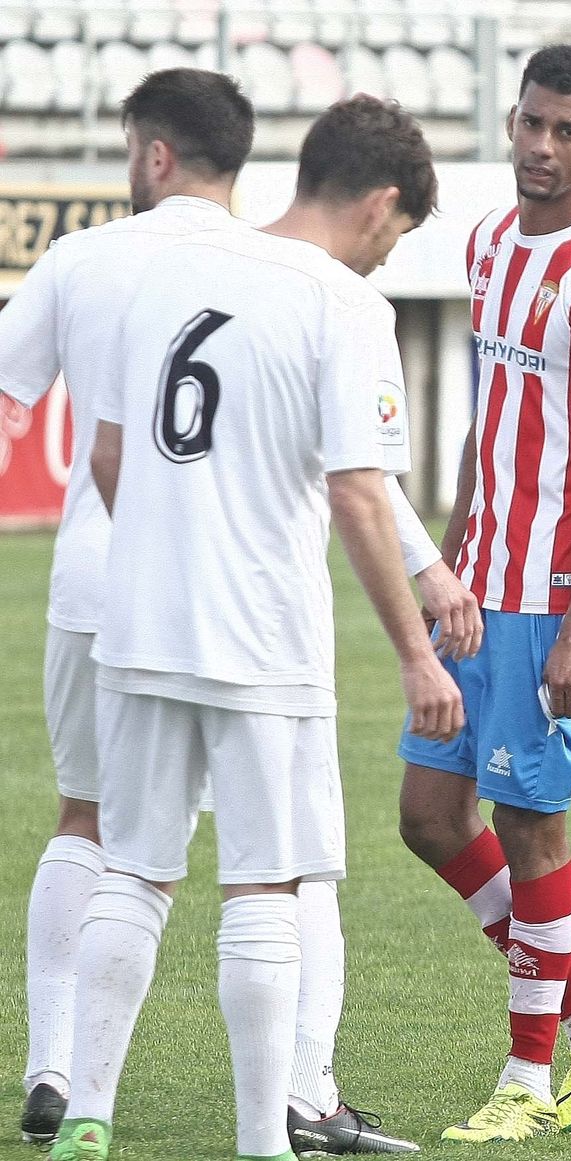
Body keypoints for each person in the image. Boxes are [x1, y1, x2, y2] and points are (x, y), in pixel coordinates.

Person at [0, 71, 467, 1155]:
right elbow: (357, 488)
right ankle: (267, 1137)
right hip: (261, 630)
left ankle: (87, 1108)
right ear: (377, 206)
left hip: (135, 617)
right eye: (391, 238)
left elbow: (108, 449)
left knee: (130, 865)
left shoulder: (157, 267)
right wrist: (415, 656)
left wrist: (167, 546)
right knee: (266, 881)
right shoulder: (340, 301)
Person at [394, 43, 571, 1142]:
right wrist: (448, 561)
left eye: (569, 131)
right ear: (511, 124)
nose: (543, 149)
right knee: (427, 816)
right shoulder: (489, 243)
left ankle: (528, 1078)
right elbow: (487, 417)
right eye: (531, 125)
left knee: (527, 823)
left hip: (561, 595)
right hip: (483, 581)